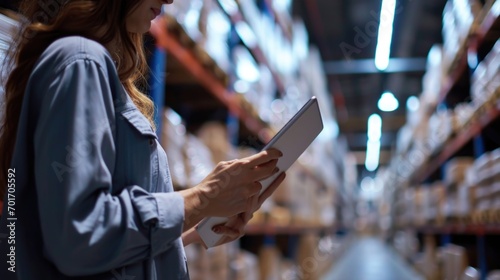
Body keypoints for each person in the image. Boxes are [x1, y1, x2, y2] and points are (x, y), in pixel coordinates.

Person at [0, 0, 286, 279]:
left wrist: (195, 224)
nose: (169, 0)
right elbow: (79, 235)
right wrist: (202, 197)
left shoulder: (92, 67)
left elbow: (99, 244)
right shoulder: (83, 60)